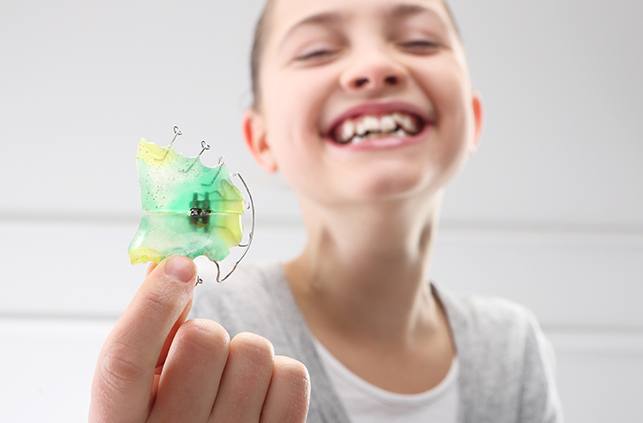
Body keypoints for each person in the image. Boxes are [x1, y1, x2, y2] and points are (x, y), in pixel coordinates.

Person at [90, 0, 564, 422]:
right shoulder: (206, 322)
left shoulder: (513, 348)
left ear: (474, 119)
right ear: (263, 140)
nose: (376, 66)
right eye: (316, 51)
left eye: (420, 41)